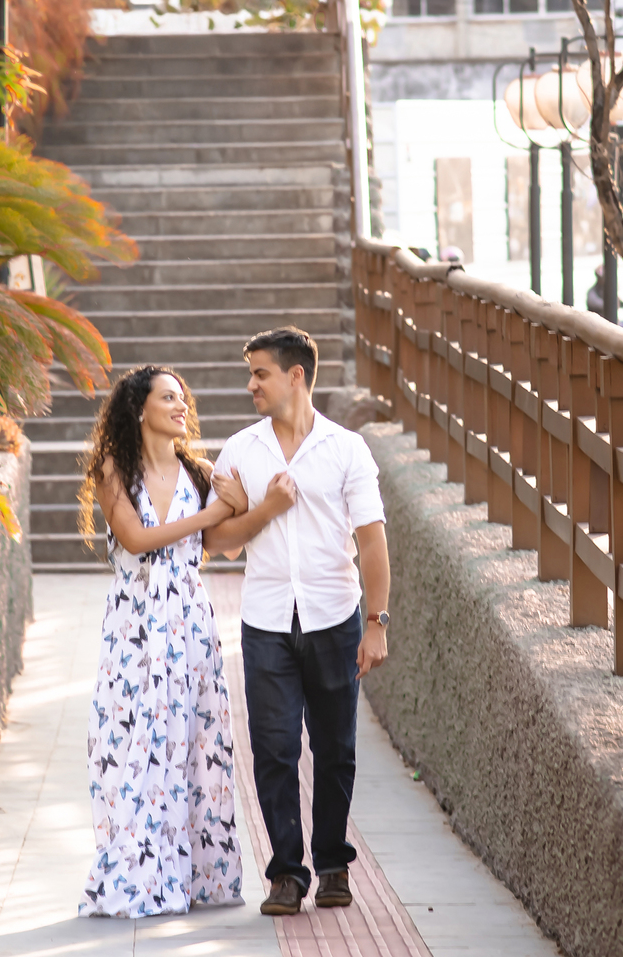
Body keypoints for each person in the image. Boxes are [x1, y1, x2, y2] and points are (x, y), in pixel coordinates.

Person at [76, 363, 295, 918]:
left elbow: (220, 543)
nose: (181, 406)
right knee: (135, 745)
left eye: (182, 398)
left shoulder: (199, 474)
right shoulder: (112, 469)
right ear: (138, 408)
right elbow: (138, 538)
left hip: (190, 621)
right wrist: (218, 512)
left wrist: (255, 508)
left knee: (193, 741)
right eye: (168, 397)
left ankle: (198, 875)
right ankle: (138, 877)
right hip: (136, 623)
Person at [205, 326, 390, 920]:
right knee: (275, 748)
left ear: (296, 376)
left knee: (335, 746)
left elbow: (371, 541)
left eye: (259, 373)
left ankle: (332, 864)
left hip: (335, 616)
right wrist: (268, 508)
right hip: (264, 622)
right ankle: (287, 873)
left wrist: (377, 622)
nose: (250, 384)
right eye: (249, 373)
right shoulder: (241, 451)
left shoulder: (346, 450)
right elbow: (220, 542)